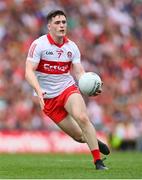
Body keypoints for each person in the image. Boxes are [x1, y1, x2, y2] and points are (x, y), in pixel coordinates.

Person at [25, 10, 110, 170]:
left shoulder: (72, 47)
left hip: (67, 88)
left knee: (82, 118)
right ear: (49, 26)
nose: (62, 25)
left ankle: (98, 162)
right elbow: (28, 71)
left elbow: (79, 72)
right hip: (48, 97)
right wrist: (38, 90)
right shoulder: (39, 45)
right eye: (57, 23)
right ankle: (95, 141)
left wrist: (91, 85)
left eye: (64, 22)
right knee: (78, 136)